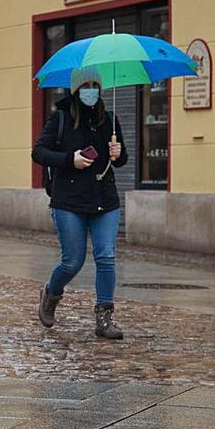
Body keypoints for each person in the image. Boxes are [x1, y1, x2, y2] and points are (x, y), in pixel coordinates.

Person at [31, 66, 128, 340]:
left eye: (95, 86)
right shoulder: (60, 118)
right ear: (75, 90)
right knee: (72, 262)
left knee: (106, 257)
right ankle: (51, 294)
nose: (91, 92)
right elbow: (38, 152)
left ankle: (105, 318)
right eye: (85, 86)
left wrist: (118, 153)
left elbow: (121, 161)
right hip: (68, 201)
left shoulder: (109, 120)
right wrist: (68, 159)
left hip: (104, 200)